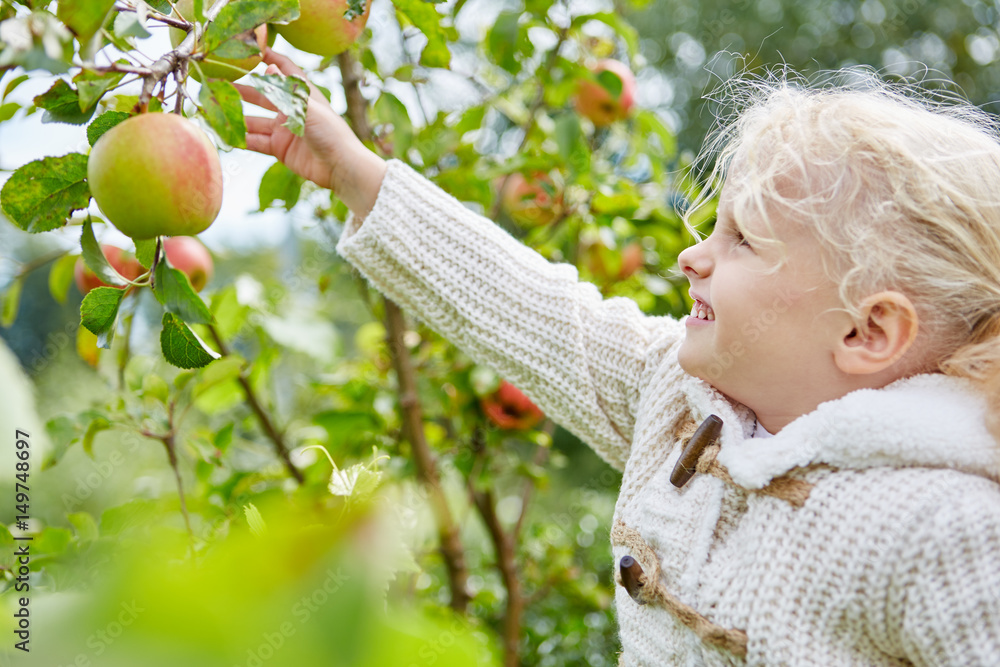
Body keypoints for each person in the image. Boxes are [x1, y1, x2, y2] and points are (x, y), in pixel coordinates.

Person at [236, 49, 1000, 665]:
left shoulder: (940, 527)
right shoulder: (681, 399)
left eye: (743, 239)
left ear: (866, 333)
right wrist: (350, 169)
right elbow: (532, 310)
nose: (692, 257)